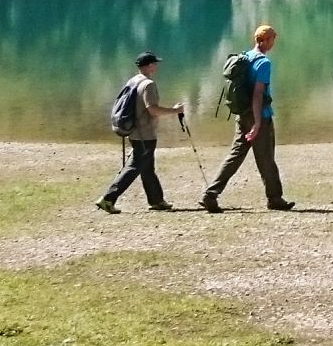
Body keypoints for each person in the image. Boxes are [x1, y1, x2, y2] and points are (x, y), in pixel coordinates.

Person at [203, 24, 293, 213]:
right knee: (266, 159)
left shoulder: (245, 57)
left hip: (242, 114)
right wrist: (258, 123)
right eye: (272, 39)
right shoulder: (263, 63)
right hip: (259, 115)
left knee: (235, 156)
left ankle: (210, 194)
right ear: (265, 40)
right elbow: (258, 95)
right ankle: (275, 198)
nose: (273, 42)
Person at [99, 52, 184, 213]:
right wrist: (175, 111)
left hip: (134, 131)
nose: (156, 66)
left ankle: (156, 201)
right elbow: (152, 109)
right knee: (135, 167)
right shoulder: (148, 84)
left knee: (147, 168)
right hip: (145, 134)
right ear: (149, 66)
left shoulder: (133, 81)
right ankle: (108, 199)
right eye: (154, 63)